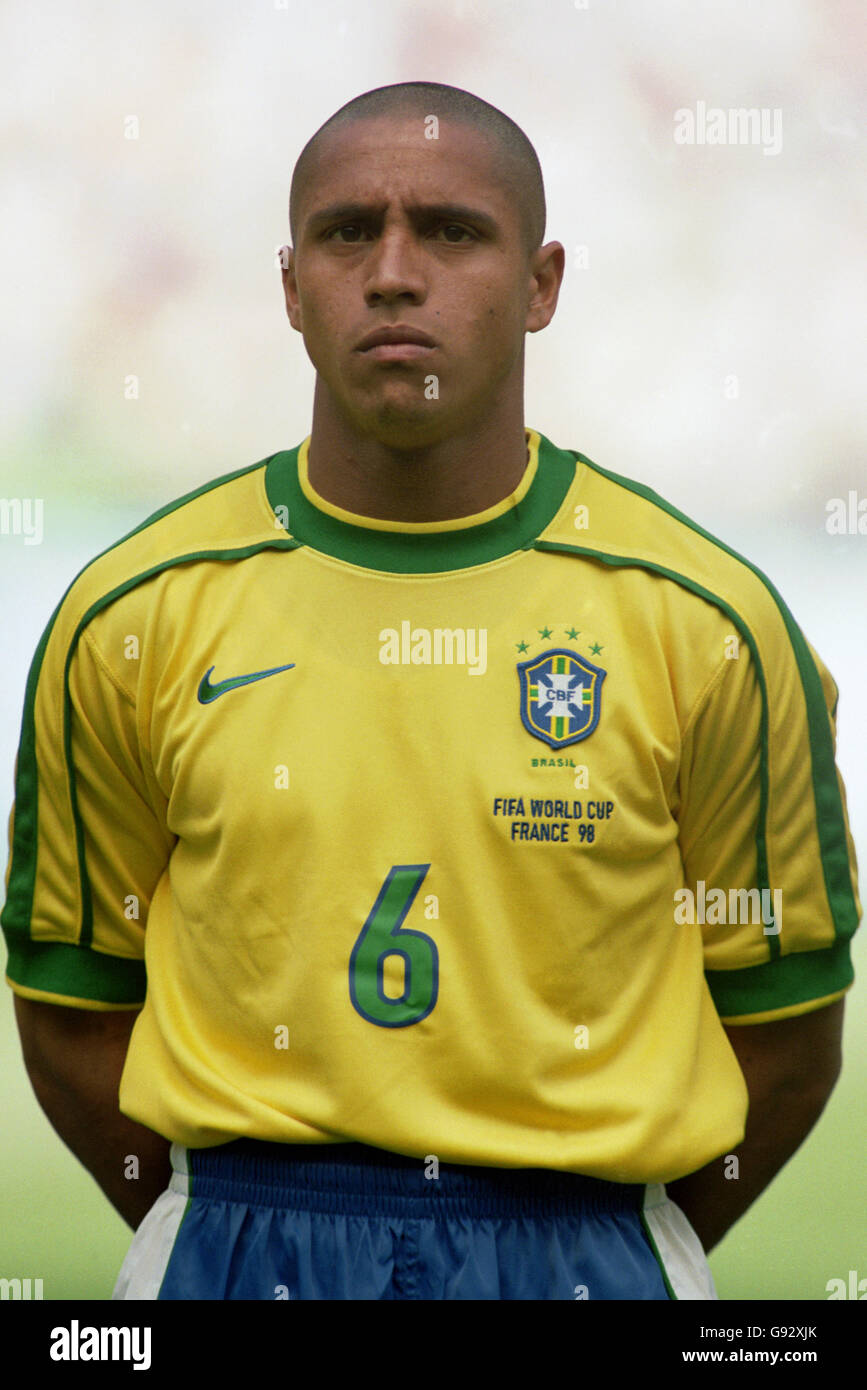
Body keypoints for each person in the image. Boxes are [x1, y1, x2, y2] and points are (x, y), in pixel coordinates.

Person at [3, 80, 860, 1302]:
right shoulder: (131, 616)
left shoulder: (709, 624)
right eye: (351, 232)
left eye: (453, 232)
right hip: (240, 1245)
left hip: (583, 1246)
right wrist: (245, 1239)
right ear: (292, 284)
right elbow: (71, 1005)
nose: (395, 273)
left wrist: (611, 1252)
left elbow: (784, 1028)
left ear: (543, 282)